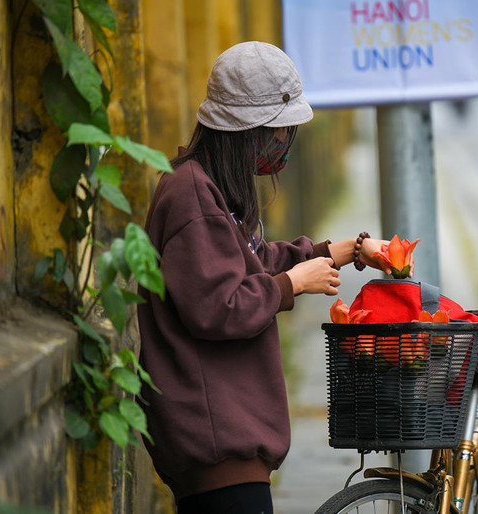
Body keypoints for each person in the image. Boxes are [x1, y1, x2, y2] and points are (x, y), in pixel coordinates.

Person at [137, 41, 402, 513]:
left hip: (227, 442)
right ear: (248, 132)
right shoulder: (192, 196)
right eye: (279, 133)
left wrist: (346, 251)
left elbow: (251, 259)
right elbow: (220, 305)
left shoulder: (207, 187)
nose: (284, 146)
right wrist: (293, 284)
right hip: (217, 441)